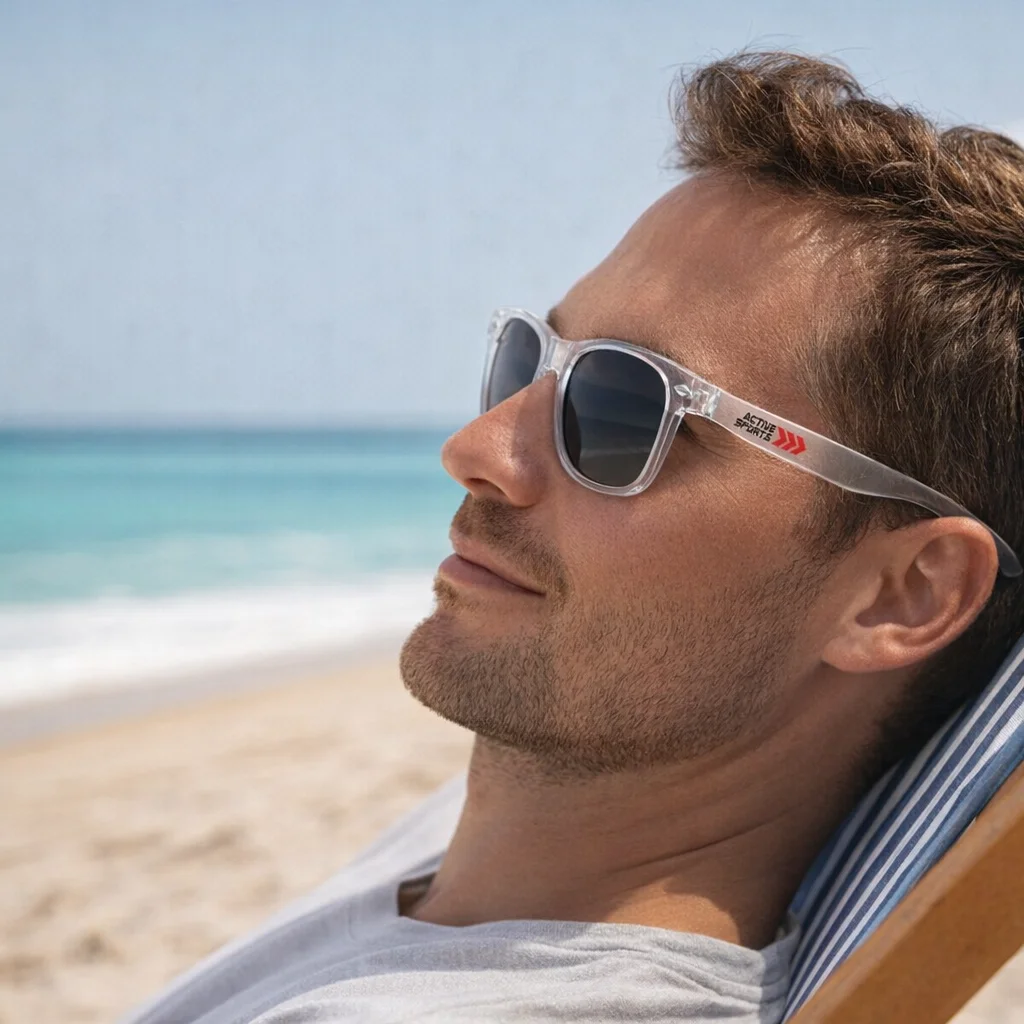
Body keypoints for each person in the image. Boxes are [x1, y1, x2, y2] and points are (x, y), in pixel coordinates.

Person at [123, 51, 1024, 1024]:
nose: (476, 449)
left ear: (904, 591)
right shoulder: (510, 840)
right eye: (529, 358)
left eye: (623, 407)